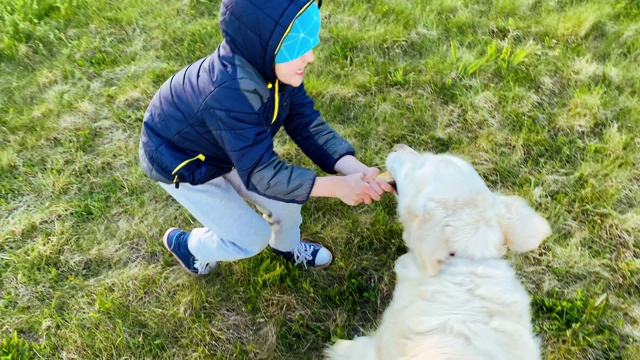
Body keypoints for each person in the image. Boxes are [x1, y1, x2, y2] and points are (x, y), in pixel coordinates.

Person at [138, 0, 393, 275]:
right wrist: (337, 188)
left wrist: (353, 169)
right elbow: (262, 174)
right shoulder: (227, 96)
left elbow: (307, 123)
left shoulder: (276, 71)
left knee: (287, 201)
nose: (310, 57)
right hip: (181, 161)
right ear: (265, 47)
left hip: (227, 148)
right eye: (297, 48)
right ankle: (189, 246)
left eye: (309, 44)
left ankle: (286, 247)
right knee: (250, 238)